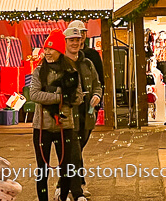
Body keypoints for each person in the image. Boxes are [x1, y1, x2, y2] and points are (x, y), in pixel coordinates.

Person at [28, 30, 83, 201]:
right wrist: (60, 98)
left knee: (66, 169)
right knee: (42, 169)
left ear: (59, 50)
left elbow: (79, 97)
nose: (48, 52)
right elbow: (34, 95)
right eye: (46, 49)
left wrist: (69, 98)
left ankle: (64, 197)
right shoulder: (39, 72)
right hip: (41, 127)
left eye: (51, 49)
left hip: (64, 127)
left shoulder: (71, 71)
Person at [58, 20, 102, 201]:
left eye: (78, 39)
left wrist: (98, 96)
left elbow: (98, 84)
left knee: (76, 151)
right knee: (73, 152)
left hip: (87, 114)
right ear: (65, 41)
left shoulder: (88, 63)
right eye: (72, 40)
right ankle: (76, 191)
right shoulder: (58, 64)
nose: (76, 42)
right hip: (67, 116)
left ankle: (63, 186)